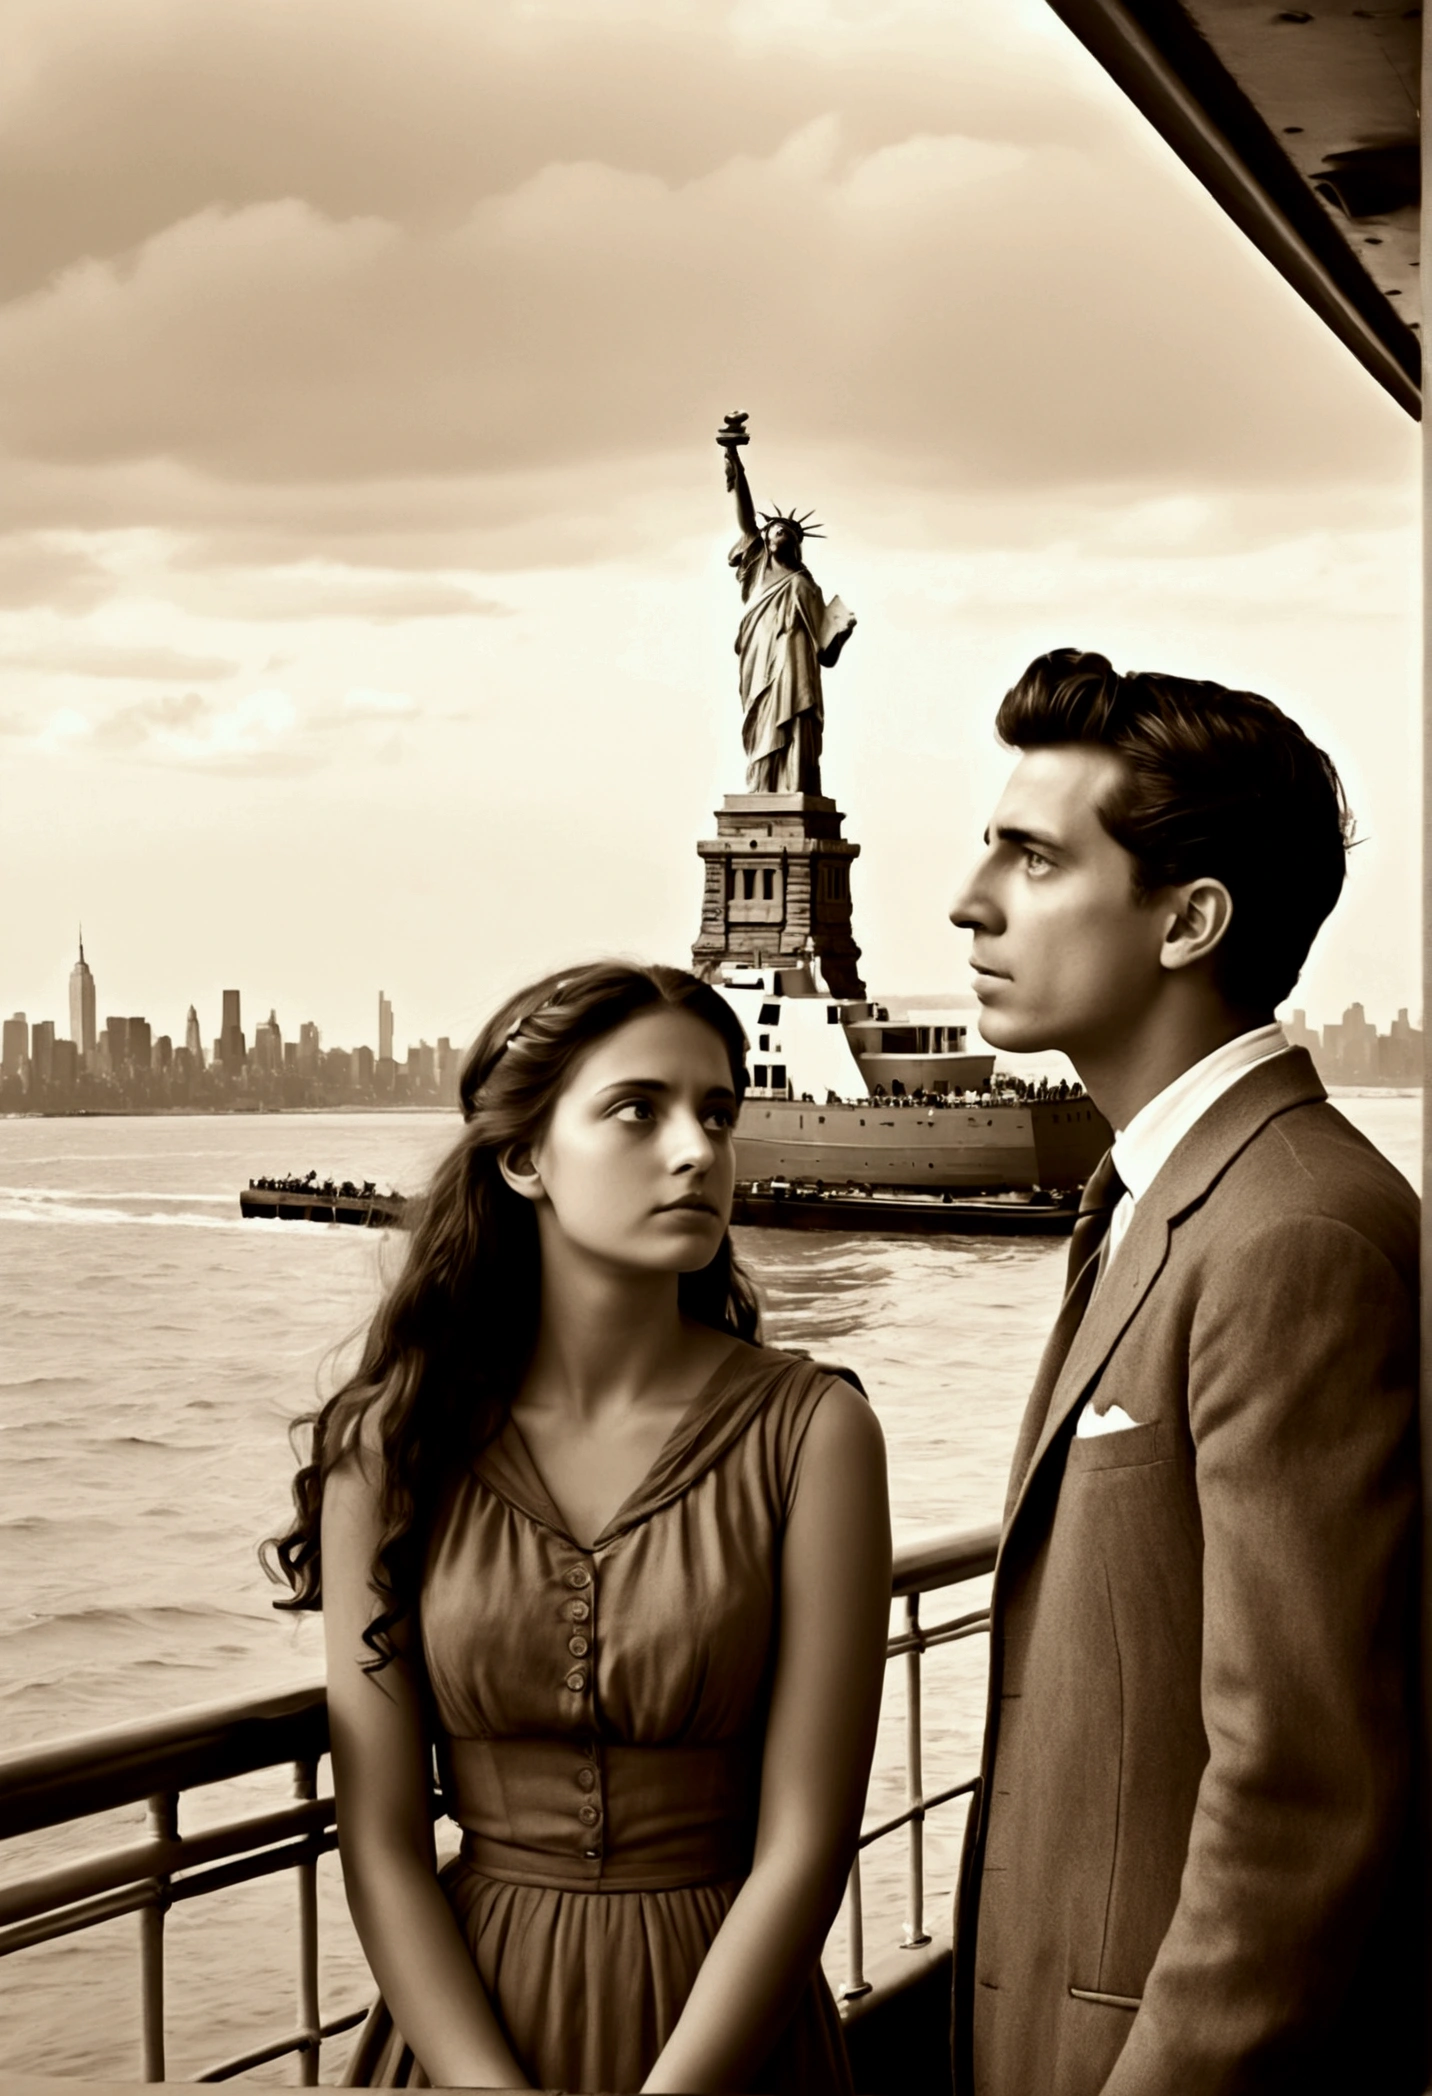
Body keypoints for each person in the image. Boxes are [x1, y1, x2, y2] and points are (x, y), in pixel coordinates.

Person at [267, 960, 890, 2094]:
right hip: (466, 2027)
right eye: (636, 1110)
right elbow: (383, 1843)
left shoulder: (816, 1431)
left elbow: (807, 1843)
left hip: (733, 2032)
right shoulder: (388, 1449)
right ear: (522, 1157)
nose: (697, 1150)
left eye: (716, 1113)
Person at [947, 650, 1423, 2095]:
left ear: (1190, 920)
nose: (972, 899)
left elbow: (1300, 1795)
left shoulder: (1296, 1236)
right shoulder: (1169, 1199)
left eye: (1033, 858)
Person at [724, 442, 856, 796]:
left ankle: (794, 786)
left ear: (796, 542)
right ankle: (763, 788)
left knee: (797, 717)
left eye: (785, 532)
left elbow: (825, 655)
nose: (777, 533)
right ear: (764, 541)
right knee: (766, 718)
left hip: (798, 663)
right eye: (773, 531)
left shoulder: (808, 586)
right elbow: (746, 515)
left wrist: (841, 633)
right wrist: (736, 463)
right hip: (761, 656)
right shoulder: (759, 570)